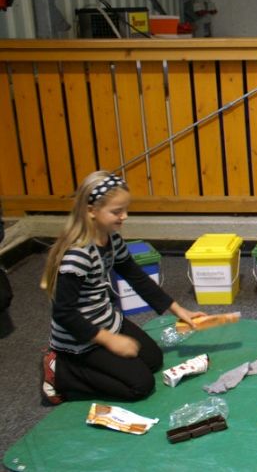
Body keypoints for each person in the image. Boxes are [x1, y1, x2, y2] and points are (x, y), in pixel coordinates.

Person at [40, 171, 203, 405]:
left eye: (125, 209)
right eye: (116, 211)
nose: (124, 216)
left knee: (154, 359)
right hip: (80, 336)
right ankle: (61, 370)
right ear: (91, 211)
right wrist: (108, 340)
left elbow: (135, 276)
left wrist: (178, 309)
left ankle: (90, 358)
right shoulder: (77, 256)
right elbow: (64, 313)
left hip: (106, 320)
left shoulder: (112, 239)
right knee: (140, 386)